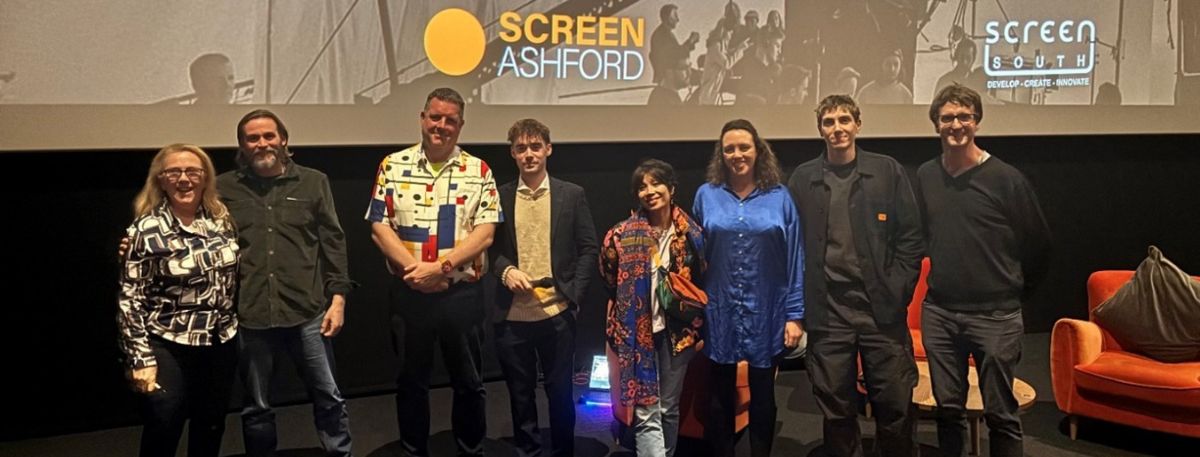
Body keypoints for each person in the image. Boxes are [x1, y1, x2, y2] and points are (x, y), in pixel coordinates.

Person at [916, 84, 1051, 457]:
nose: (956, 124)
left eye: (964, 116)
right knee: (947, 412)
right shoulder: (926, 175)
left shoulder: (1007, 179)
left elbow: (1039, 245)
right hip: (940, 313)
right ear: (936, 124)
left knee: (1001, 415)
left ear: (976, 121)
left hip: (996, 316)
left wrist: (1011, 293)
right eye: (947, 118)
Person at [366, 87, 500, 457]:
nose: (441, 126)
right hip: (409, 295)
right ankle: (413, 451)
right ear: (423, 118)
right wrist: (417, 273)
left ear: (461, 125)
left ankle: (471, 449)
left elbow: (485, 233)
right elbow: (380, 227)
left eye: (451, 120)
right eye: (435, 117)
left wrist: (441, 268)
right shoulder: (393, 165)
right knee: (411, 383)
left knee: (470, 383)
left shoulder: (479, 170)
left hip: (462, 295)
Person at [788, 95, 923, 457]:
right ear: (820, 130)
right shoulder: (804, 179)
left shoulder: (886, 171)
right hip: (828, 312)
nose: (837, 129)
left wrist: (898, 291)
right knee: (836, 409)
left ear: (858, 125)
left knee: (894, 404)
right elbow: (793, 246)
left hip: (880, 310)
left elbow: (911, 238)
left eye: (844, 120)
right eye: (829, 122)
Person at [221, 110, 355, 457]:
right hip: (251, 315)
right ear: (242, 145)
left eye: (269, 135)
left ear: (284, 140)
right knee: (257, 406)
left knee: (328, 397)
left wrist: (337, 300)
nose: (262, 143)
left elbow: (333, 241)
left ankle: (339, 453)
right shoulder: (223, 188)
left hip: (308, 312)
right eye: (253, 138)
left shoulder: (314, 182)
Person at [117, 143, 239, 457]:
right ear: (160, 180)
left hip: (219, 341)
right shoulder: (146, 230)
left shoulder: (221, 221)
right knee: (164, 420)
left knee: (211, 424)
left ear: (205, 178)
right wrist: (139, 360)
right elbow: (130, 300)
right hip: (168, 341)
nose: (184, 179)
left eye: (192, 171)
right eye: (174, 172)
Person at [693, 119, 804, 457]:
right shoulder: (706, 195)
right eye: (729, 148)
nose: (737, 154)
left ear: (758, 151)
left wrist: (795, 316)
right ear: (721, 153)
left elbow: (795, 256)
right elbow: (695, 256)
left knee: (763, 393)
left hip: (767, 308)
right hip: (720, 308)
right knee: (720, 392)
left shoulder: (780, 197)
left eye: (744, 147)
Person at [490, 119, 598, 457]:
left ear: (548, 149)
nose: (529, 154)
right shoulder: (500, 195)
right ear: (512, 153)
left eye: (535, 147)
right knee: (520, 396)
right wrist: (505, 270)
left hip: (556, 312)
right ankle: (529, 452)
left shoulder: (571, 194)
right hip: (512, 315)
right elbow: (489, 247)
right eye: (521, 148)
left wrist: (574, 295)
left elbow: (588, 247)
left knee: (560, 394)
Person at [601, 159, 705, 457]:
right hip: (637, 336)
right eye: (642, 187)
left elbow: (702, 278)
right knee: (646, 412)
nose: (649, 191)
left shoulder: (692, 235)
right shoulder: (619, 236)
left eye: (656, 183)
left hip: (679, 335)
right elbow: (609, 280)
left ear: (671, 188)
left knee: (668, 408)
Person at [649, 4, 699, 84]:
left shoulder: (663, 33)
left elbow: (676, 52)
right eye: (675, 15)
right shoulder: (662, 35)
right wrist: (690, 41)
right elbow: (676, 55)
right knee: (705, 77)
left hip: (672, 73)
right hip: (671, 75)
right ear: (667, 17)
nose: (677, 19)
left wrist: (690, 42)